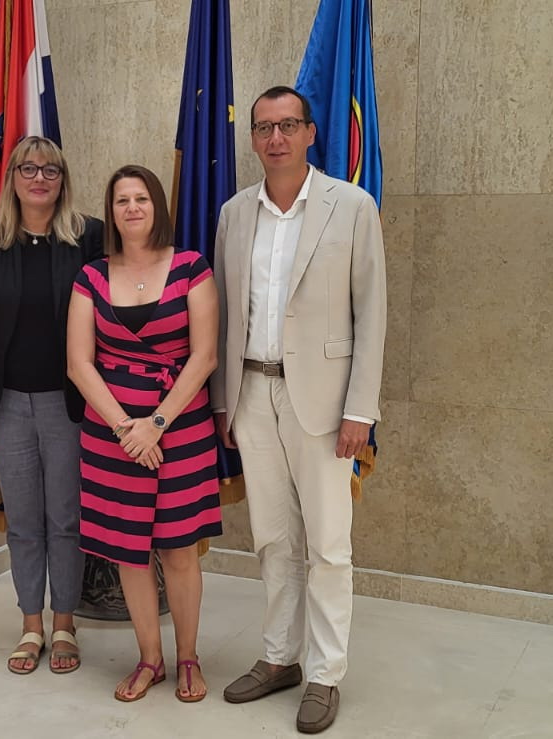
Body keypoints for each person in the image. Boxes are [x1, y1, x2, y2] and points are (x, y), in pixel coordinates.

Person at [212, 86, 386, 734]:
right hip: (252, 395)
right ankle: (280, 657)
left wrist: (360, 409)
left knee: (329, 544)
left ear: (310, 133)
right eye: (264, 128)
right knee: (273, 538)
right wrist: (224, 400)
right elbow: (226, 312)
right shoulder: (234, 214)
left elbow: (371, 313)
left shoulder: (351, 206)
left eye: (288, 125)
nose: (276, 138)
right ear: (253, 139)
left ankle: (324, 673)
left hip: (324, 400)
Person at [67, 165, 222, 703]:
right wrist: (124, 428)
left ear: (157, 206)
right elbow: (79, 363)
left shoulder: (191, 267)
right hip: (111, 433)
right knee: (128, 551)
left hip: (181, 428)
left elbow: (204, 356)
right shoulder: (90, 276)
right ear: (111, 213)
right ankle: (150, 659)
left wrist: (155, 424)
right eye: (121, 201)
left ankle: (188, 658)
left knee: (179, 550)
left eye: (141, 198)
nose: (132, 208)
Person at [0, 136, 103, 675]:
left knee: (65, 518)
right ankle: (30, 625)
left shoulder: (87, 236)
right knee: (21, 521)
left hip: (71, 404)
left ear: (63, 180)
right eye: (28, 168)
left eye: (50, 170)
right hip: (9, 404)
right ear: (13, 178)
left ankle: (64, 623)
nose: (39, 178)